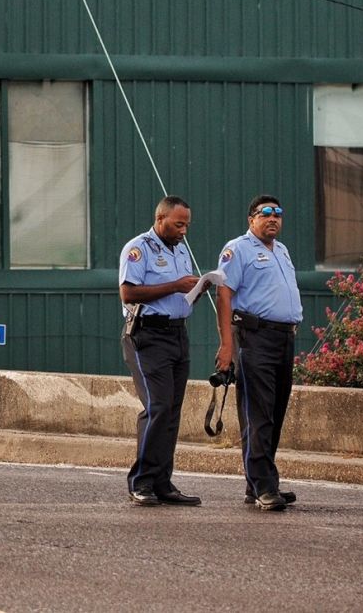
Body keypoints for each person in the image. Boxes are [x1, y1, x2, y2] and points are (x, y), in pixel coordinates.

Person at [215, 194, 305, 512]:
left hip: (283, 339)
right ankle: (264, 485)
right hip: (254, 338)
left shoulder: (281, 250)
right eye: (265, 213)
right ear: (251, 218)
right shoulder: (238, 249)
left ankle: (258, 484)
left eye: (278, 214)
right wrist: (227, 344)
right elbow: (223, 294)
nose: (273, 218)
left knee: (275, 412)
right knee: (258, 413)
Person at [118, 195, 203, 507]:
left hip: (177, 334)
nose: (184, 230)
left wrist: (196, 288)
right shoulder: (139, 248)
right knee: (158, 407)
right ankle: (140, 481)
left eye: (187, 225)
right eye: (178, 224)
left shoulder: (180, 249)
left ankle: (163, 482)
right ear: (160, 220)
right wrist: (176, 285)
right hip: (147, 335)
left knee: (173, 410)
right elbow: (128, 292)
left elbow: (182, 291)